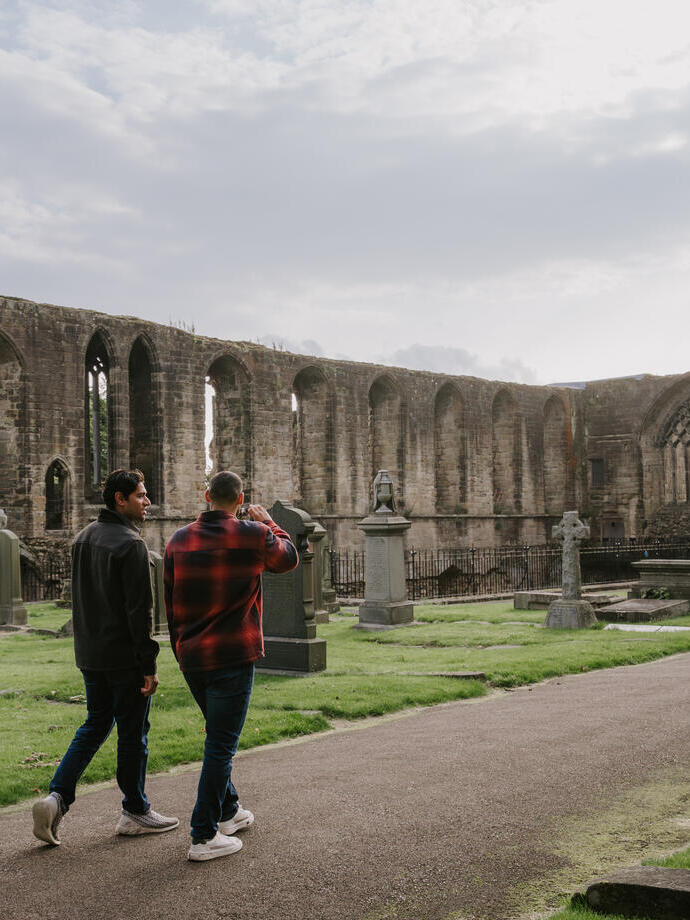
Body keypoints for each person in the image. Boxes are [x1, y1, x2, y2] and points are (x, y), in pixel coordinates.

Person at [32, 469, 178, 846]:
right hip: (124, 659)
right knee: (133, 734)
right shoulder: (131, 545)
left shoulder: (83, 538)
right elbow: (139, 612)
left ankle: (56, 797)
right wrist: (148, 665)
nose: (148, 502)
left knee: (95, 724)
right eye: (142, 496)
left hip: (90, 655)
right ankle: (135, 810)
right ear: (120, 499)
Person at [164, 470, 298, 862]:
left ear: (207, 495)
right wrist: (267, 521)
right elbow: (287, 559)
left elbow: (170, 603)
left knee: (217, 738)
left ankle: (228, 811)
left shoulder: (177, 540)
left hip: (192, 656)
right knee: (221, 746)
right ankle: (203, 836)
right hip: (233, 656)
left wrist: (179, 651)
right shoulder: (253, 535)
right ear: (240, 500)